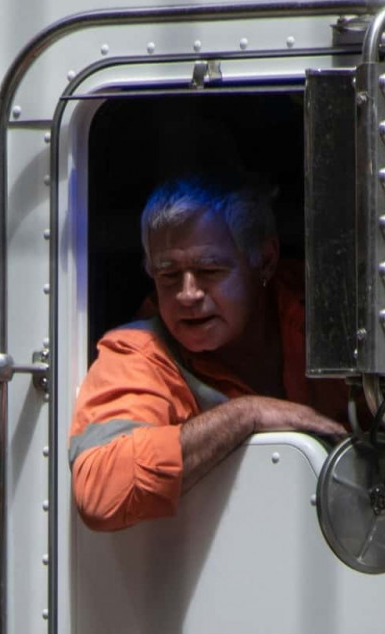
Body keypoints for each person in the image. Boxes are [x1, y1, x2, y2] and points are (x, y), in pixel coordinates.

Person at [69, 174, 349, 532]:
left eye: (209, 271)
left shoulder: (330, 313)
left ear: (263, 260)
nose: (187, 294)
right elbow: (100, 490)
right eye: (168, 275)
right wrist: (246, 414)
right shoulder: (137, 352)